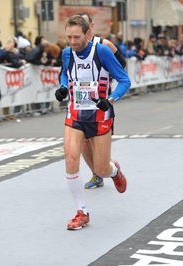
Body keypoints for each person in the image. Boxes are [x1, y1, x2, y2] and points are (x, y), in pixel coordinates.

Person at [55, 15, 130, 230]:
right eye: (68, 36)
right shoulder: (67, 53)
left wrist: (111, 99)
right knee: (70, 159)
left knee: (101, 169)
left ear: (88, 33)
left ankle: (115, 171)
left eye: (76, 37)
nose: (72, 42)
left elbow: (125, 80)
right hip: (75, 114)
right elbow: (65, 76)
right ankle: (82, 212)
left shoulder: (102, 51)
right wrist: (62, 88)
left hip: (99, 115)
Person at [76, 11, 127, 190]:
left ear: (91, 27)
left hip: (101, 103)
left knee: (96, 142)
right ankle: (97, 173)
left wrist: (105, 77)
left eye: (84, 24)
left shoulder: (103, 44)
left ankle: (107, 167)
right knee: (83, 142)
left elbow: (122, 65)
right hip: (80, 103)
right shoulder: (73, 49)